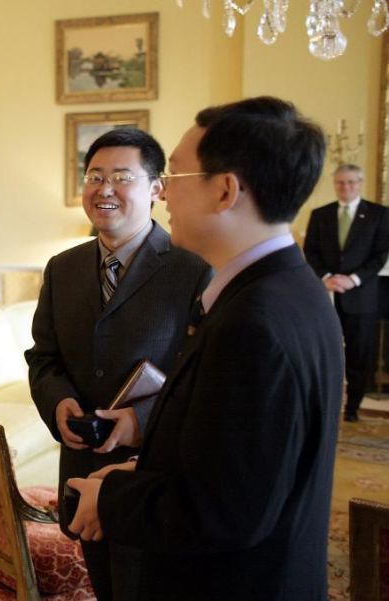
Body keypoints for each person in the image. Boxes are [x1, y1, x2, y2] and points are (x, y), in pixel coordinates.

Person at [68, 97, 344, 601]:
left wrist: (111, 499)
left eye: (173, 177)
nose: (164, 196)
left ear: (224, 190)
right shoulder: (291, 288)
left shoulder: (254, 324)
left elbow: (223, 512)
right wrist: (142, 468)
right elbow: (240, 461)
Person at [25, 128, 210, 600]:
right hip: (82, 469)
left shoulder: (194, 268)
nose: (104, 189)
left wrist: (138, 421)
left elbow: (205, 374)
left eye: (121, 177)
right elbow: (43, 357)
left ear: (155, 189)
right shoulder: (62, 268)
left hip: (155, 476)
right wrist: (59, 402)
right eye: (94, 176)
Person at [304, 163, 389, 422]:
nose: (346, 187)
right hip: (326, 295)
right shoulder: (321, 214)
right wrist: (327, 278)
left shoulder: (378, 214)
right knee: (325, 352)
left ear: (360, 183)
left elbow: (381, 254)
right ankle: (324, 405)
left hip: (361, 297)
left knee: (358, 354)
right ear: (335, 184)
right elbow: (311, 251)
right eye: (341, 182)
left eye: (351, 182)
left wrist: (352, 279)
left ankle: (352, 408)